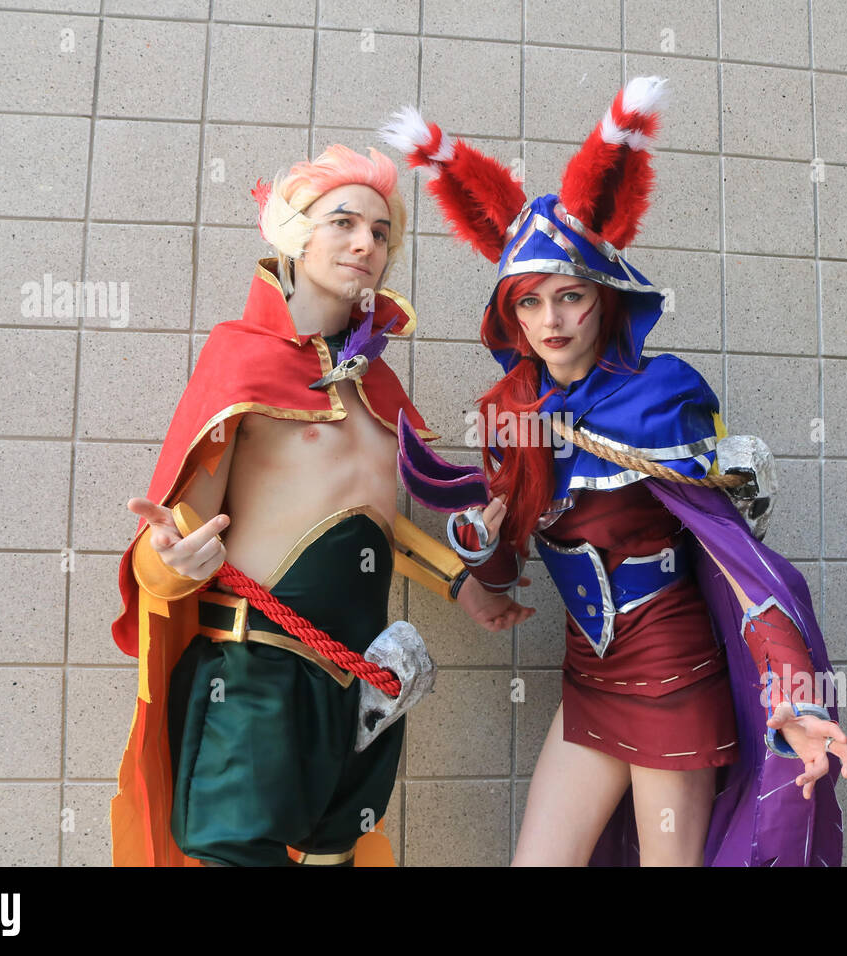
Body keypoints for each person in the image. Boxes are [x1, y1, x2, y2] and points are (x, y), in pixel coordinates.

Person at [382, 78, 847, 866]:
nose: (552, 323)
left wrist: (793, 695)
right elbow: (506, 575)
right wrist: (480, 544)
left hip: (675, 682)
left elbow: (739, 566)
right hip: (589, 681)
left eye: (570, 298)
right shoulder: (512, 414)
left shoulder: (658, 396)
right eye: (530, 304)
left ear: (604, 300)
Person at [109, 144, 534, 867]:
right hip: (255, 674)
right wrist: (166, 565)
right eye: (343, 222)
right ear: (296, 233)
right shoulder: (240, 356)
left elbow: (370, 521)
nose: (366, 243)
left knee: (338, 858)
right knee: (235, 854)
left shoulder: (378, 387)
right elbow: (185, 519)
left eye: (381, 233)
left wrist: (462, 585)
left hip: (364, 685)